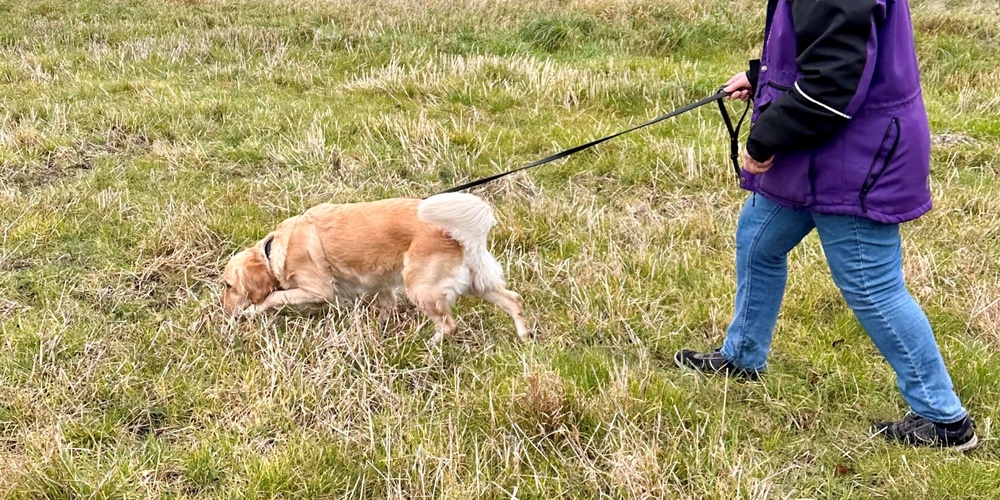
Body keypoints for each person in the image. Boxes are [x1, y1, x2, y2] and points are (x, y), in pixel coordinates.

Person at [673, 0, 978, 450]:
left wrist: (763, 140)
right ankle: (742, 356)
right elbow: (830, 46)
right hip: (812, 150)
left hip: (853, 157)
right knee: (758, 242)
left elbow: (832, 83)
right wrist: (763, 77)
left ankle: (944, 418)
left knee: (872, 286)